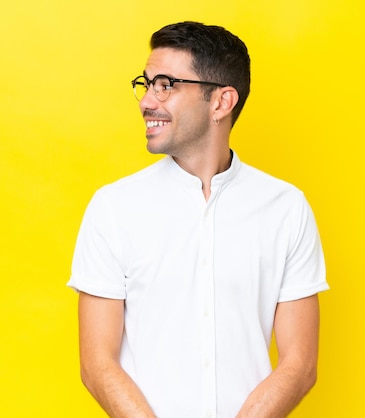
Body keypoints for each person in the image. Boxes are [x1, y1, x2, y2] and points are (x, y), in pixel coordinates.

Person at [68, 21, 329, 418]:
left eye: (166, 85)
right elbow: (97, 365)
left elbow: (300, 365)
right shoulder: (114, 208)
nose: (146, 101)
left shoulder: (285, 208)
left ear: (221, 102)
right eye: (147, 83)